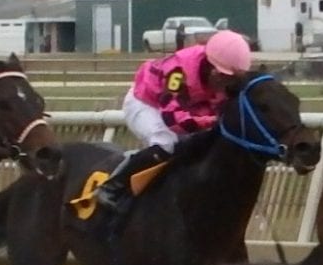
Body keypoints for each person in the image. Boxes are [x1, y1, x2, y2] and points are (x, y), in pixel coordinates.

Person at [94, 29, 253, 215]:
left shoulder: (222, 79)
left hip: (188, 107)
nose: (226, 84)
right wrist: (211, 121)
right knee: (165, 143)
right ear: (211, 67)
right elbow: (173, 120)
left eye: (232, 79)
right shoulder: (177, 71)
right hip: (145, 101)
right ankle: (111, 186)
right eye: (225, 77)